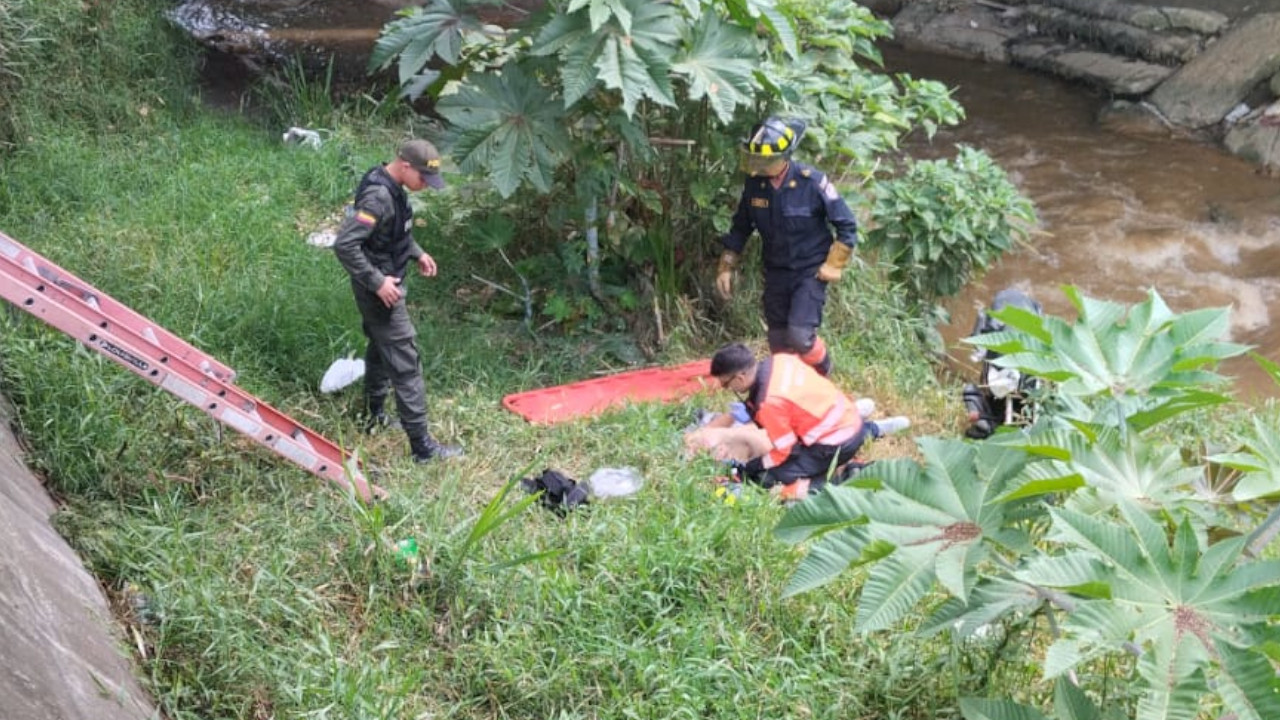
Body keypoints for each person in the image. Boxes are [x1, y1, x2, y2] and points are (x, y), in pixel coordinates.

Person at [332, 139, 463, 463]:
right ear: (405, 165)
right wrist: (377, 282)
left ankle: (373, 414)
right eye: (423, 178)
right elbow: (345, 244)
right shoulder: (378, 196)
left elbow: (391, 232)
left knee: (381, 348)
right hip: (380, 291)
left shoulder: (391, 186)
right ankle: (423, 448)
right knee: (406, 363)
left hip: (384, 283)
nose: (426, 186)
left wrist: (417, 253)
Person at [715, 116, 860, 377]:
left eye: (766, 160)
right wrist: (726, 266)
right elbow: (740, 228)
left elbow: (847, 225)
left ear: (785, 157)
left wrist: (834, 264)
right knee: (779, 342)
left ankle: (824, 373)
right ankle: (789, 386)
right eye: (756, 159)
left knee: (800, 336)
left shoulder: (812, 182)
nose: (759, 165)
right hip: (776, 272)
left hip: (810, 271)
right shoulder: (755, 185)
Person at [694, 343, 909, 500]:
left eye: (726, 385)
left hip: (836, 442)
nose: (726, 389)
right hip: (846, 416)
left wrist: (753, 467)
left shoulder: (769, 403)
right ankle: (872, 428)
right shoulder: (779, 360)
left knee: (768, 478)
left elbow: (785, 451)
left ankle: (840, 480)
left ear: (740, 378)